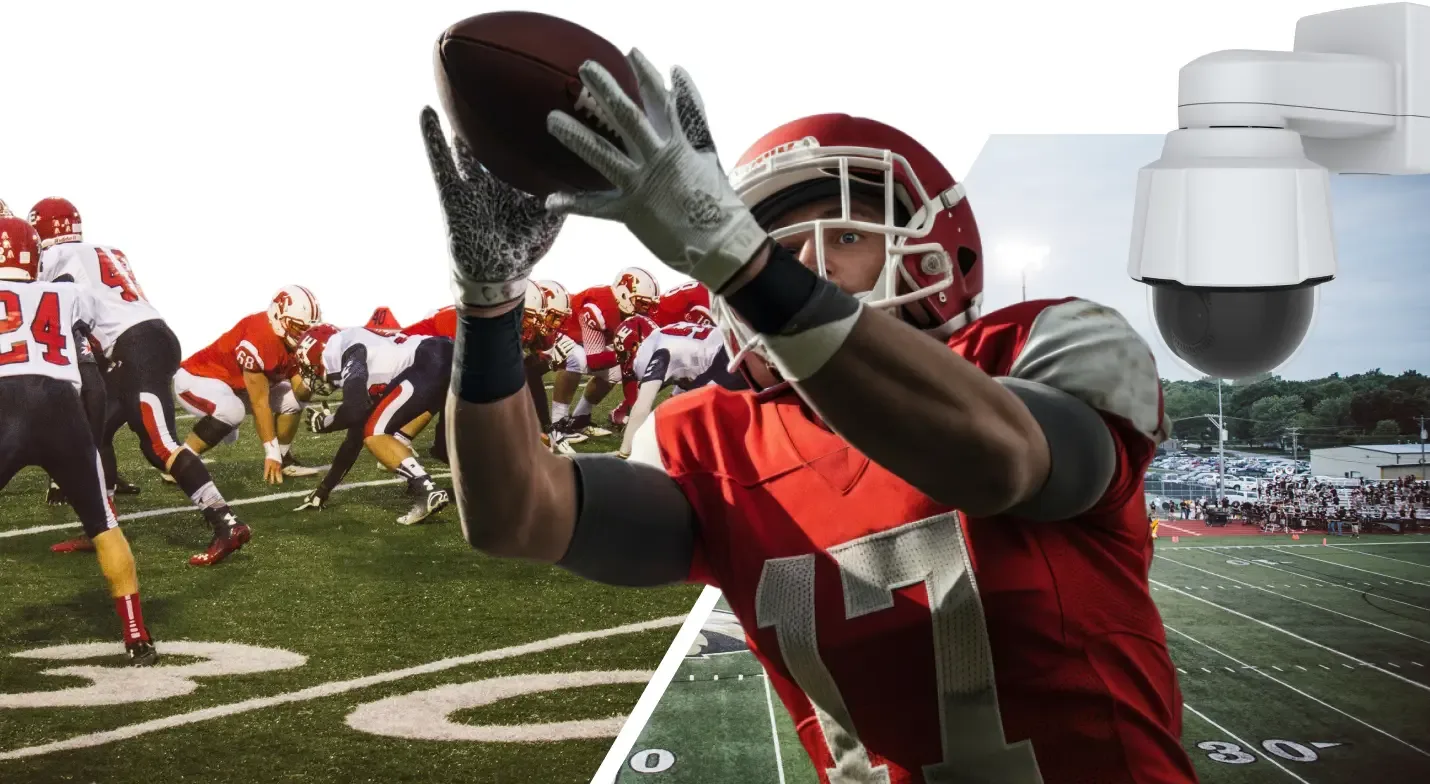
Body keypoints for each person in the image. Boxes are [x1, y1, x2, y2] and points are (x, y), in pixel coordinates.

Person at [417, 48, 1194, 783]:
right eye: (778, 249)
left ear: (939, 251)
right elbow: (514, 516)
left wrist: (745, 257)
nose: (803, 265)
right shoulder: (711, 439)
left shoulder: (1044, 344)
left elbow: (999, 461)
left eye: (846, 235)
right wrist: (489, 305)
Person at [31, 198, 251, 566]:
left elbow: (49, 306)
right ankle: (102, 527)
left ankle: (227, 522)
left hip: (135, 347)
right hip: (141, 341)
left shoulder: (55, 259)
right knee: (93, 431)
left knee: (160, 445)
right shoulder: (104, 250)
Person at [0, 216, 156, 663]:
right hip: (58, 404)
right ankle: (136, 635)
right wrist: (89, 437)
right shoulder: (66, 294)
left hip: (5, 402)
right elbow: (90, 373)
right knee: (105, 525)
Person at [291, 323, 450, 524]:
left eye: (309, 368)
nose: (311, 375)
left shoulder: (345, 350)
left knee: (374, 432)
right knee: (446, 449)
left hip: (429, 362)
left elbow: (353, 410)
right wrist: (323, 490)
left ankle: (427, 490)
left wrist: (327, 423)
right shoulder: (368, 357)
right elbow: (353, 439)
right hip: (446, 359)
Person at [172, 286, 323, 484]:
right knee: (232, 411)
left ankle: (285, 459)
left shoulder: (292, 341)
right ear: (278, 317)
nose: (303, 334)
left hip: (235, 387)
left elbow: (300, 392)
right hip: (198, 379)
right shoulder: (259, 337)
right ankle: (179, 465)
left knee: (292, 400)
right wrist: (271, 452)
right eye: (297, 327)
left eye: (307, 329)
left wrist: (314, 381)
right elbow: (260, 402)